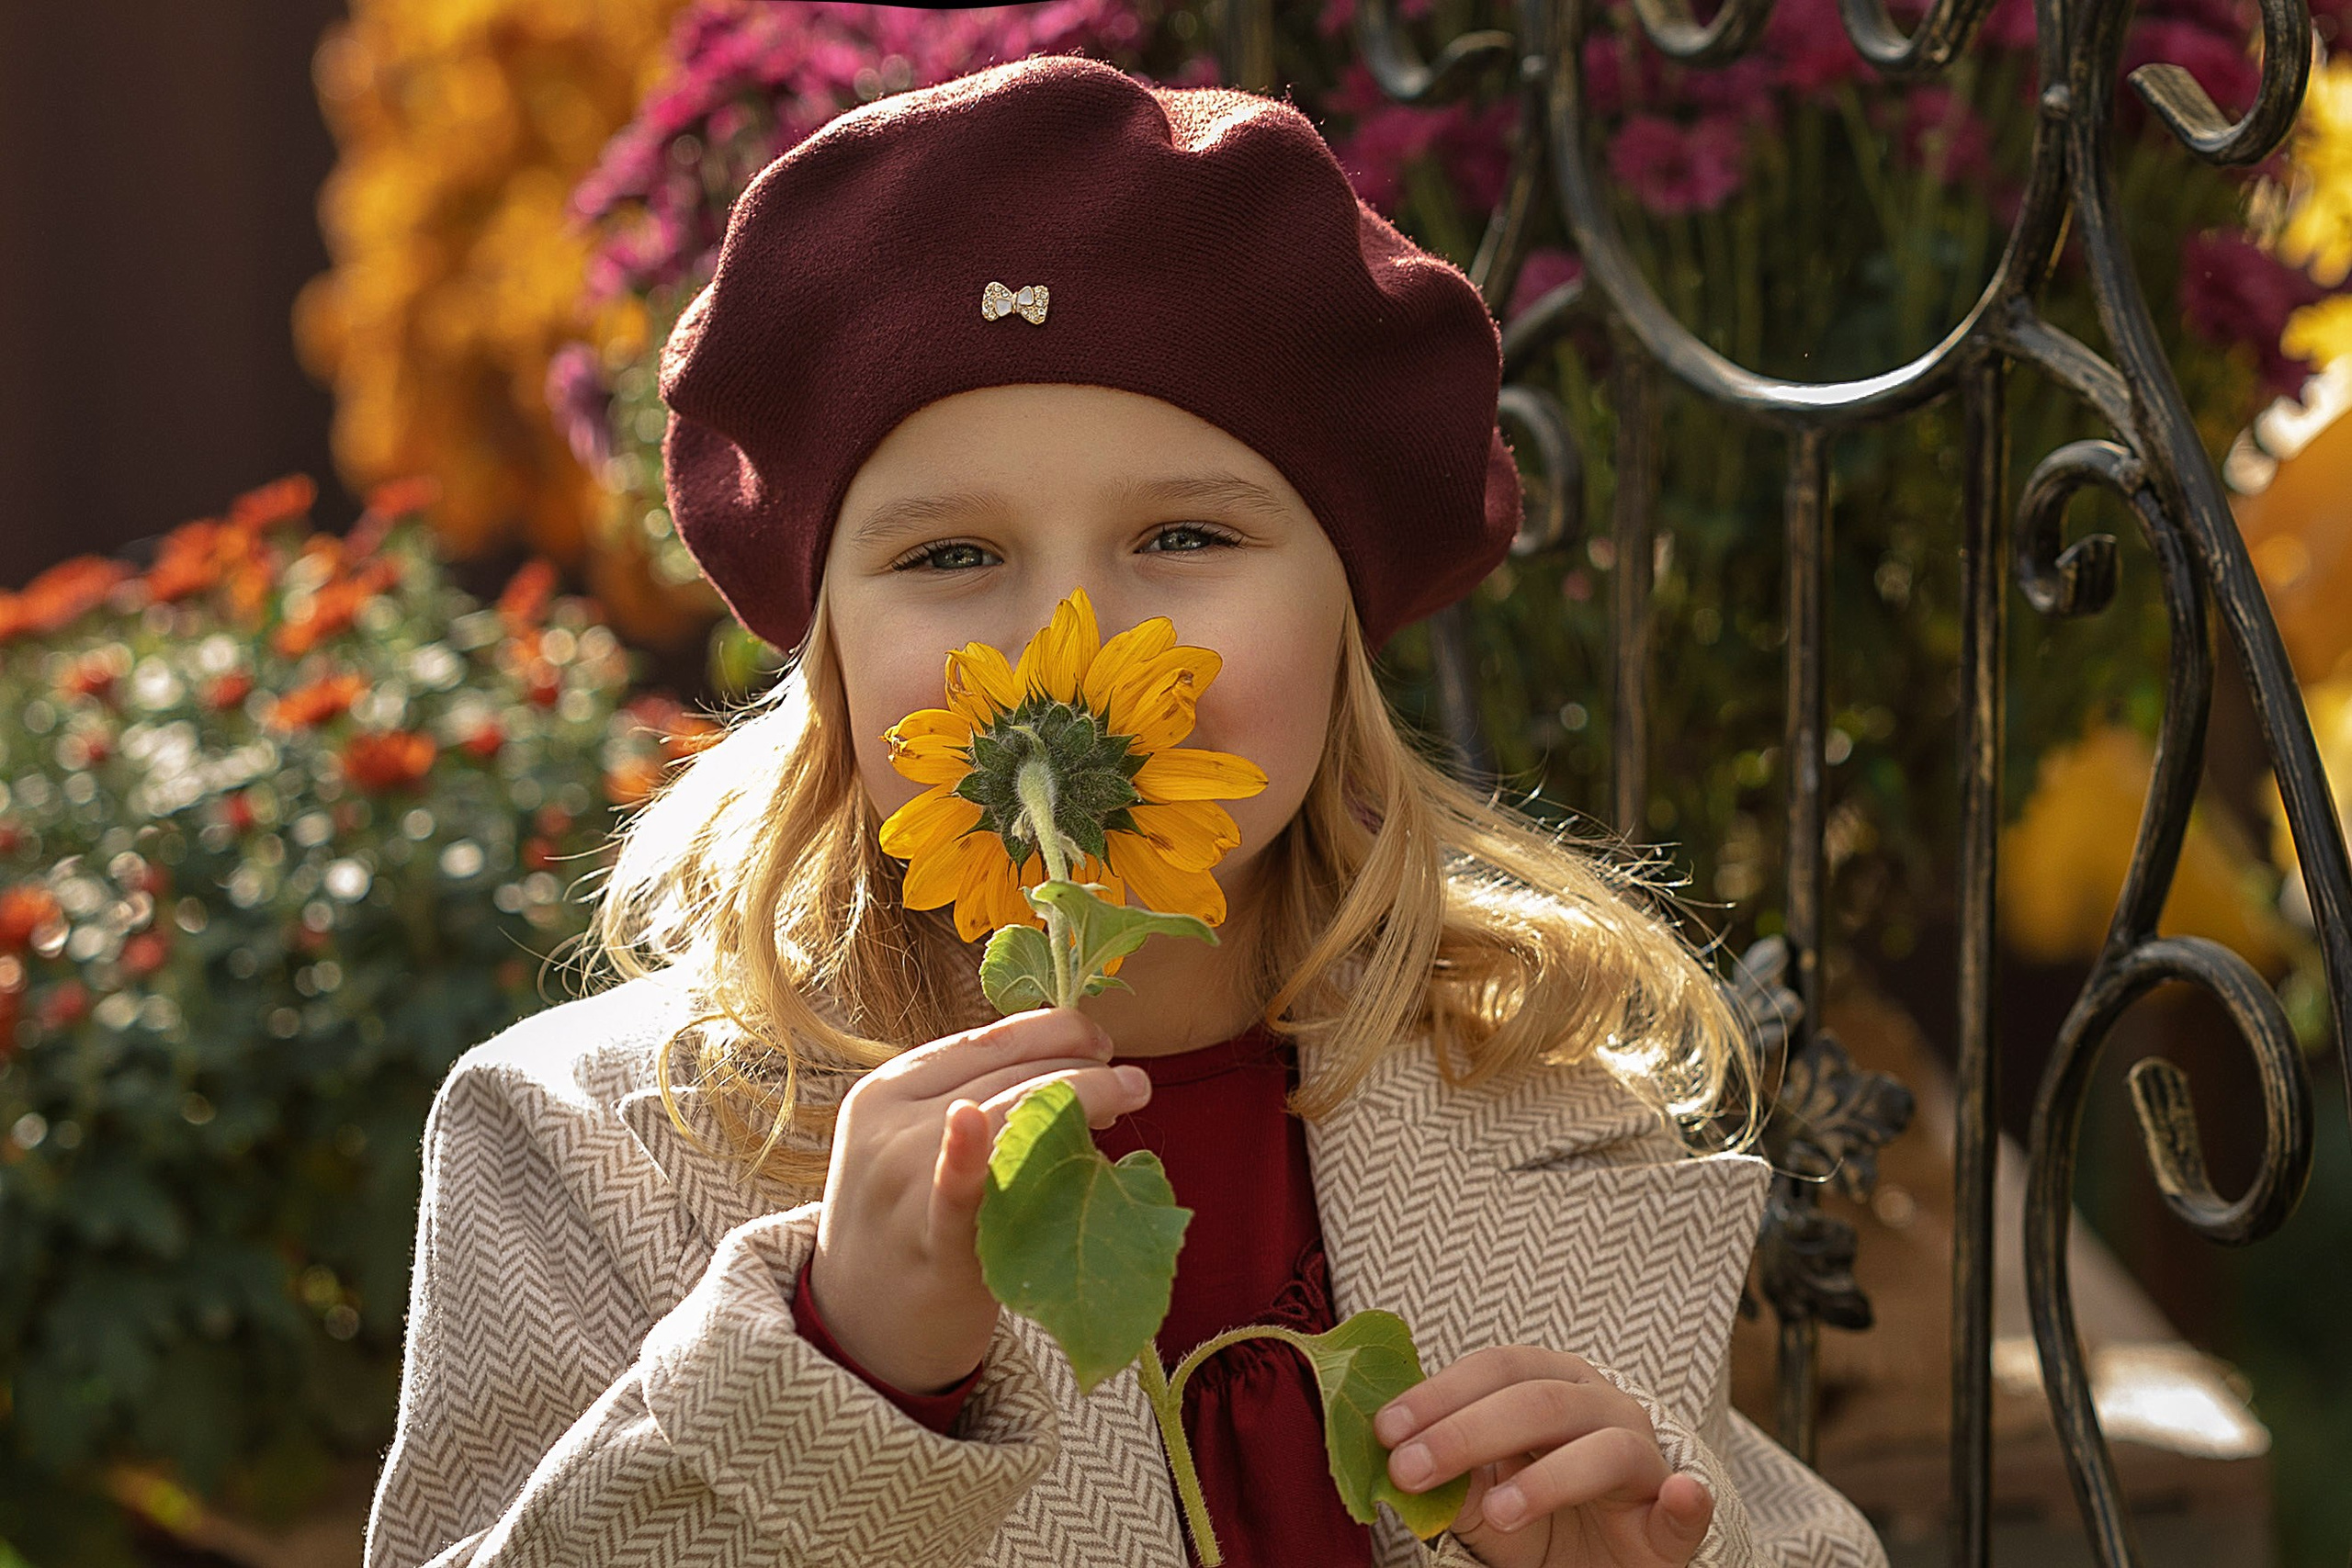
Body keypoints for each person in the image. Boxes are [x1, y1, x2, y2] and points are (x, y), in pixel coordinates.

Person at [363, 51, 1887, 1568]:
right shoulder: (594, 1153)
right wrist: (837, 1376)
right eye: (952, 556)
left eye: (1183, 534)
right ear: (828, 660)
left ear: (1344, 627)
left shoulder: (1538, 1092)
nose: (1070, 646)